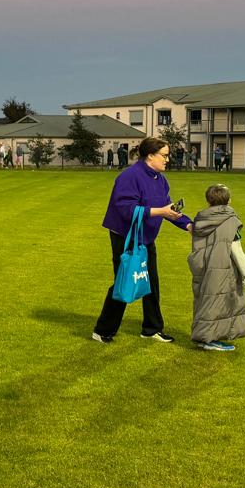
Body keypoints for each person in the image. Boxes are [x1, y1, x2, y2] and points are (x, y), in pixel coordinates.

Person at [91, 137, 193, 344]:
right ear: (150, 156)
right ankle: (103, 331)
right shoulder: (129, 176)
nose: (167, 160)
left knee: (151, 282)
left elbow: (167, 208)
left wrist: (189, 225)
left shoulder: (160, 179)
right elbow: (125, 209)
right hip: (125, 236)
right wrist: (160, 211)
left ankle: (152, 329)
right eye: (164, 155)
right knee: (124, 281)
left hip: (146, 238)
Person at [188, 183, 245, 352]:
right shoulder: (231, 221)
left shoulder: (200, 219)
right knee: (217, 303)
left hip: (202, 266)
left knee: (205, 300)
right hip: (222, 268)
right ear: (229, 201)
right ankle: (209, 339)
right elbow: (236, 249)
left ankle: (204, 336)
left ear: (208, 200)